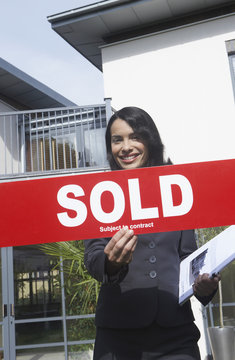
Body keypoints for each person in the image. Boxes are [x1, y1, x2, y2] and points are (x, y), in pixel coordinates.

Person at [84, 106, 219, 360]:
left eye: (135, 136)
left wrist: (204, 286)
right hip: (118, 338)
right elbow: (93, 258)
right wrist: (111, 263)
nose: (125, 146)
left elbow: (187, 258)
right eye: (117, 139)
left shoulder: (176, 190)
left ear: (150, 140)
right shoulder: (100, 195)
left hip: (175, 337)